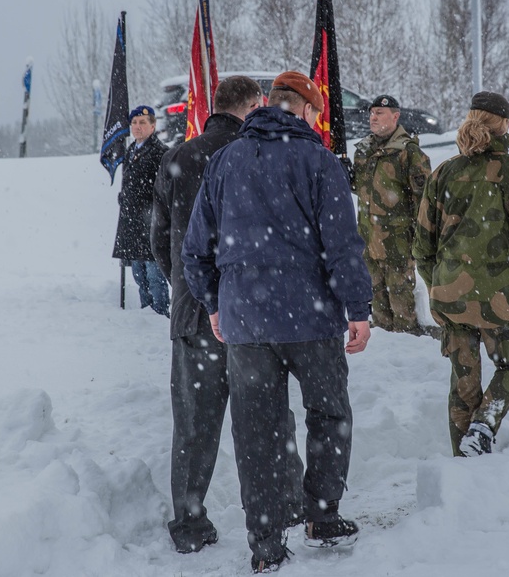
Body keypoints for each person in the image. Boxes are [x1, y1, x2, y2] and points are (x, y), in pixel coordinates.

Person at [182, 71, 373, 573]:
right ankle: (322, 516)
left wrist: (216, 304)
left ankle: (265, 542)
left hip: (247, 323)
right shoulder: (319, 160)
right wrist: (359, 310)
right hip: (311, 318)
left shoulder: (224, 160)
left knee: (256, 430)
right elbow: (343, 246)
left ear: (270, 105)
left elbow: (195, 249)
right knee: (328, 416)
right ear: (308, 110)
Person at [152, 77, 305, 554]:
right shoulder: (254, 154)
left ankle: (190, 524)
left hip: (193, 313)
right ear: (254, 106)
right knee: (268, 415)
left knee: (194, 424)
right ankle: (286, 505)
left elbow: (158, 237)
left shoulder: (178, 157)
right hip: (251, 312)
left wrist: (187, 283)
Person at [413, 92, 509, 458]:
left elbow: (422, 245)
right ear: (503, 125)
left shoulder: (444, 171)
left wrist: (437, 285)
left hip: (450, 296)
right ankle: (483, 426)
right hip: (499, 298)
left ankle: (464, 462)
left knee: (463, 382)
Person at [351, 94, 431, 335]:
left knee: (401, 306)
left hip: (397, 242)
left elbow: (424, 201)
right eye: (372, 113)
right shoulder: (364, 150)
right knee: (377, 304)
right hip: (368, 239)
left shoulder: (409, 152)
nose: (373, 117)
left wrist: (422, 239)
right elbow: (364, 187)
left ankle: (406, 354)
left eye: (380, 113)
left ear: (395, 117)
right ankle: (385, 354)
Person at [112, 105, 170, 316]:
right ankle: (144, 315)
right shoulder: (130, 151)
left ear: (153, 126)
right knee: (139, 275)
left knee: (155, 275)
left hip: (152, 222)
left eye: (143, 123)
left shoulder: (160, 152)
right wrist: (124, 197)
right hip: (134, 223)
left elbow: (163, 188)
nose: (137, 127)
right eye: (134, 123)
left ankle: (159, 314)